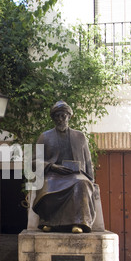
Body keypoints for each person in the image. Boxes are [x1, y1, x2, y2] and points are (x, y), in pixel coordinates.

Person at [32, 100, 95, 233]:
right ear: (53, 118)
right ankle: (48, 221)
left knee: (82, 183)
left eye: (63, 116)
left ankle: (78, 222)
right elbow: (33, 161)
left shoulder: (80, 136)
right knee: (47, 185)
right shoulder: (45, 137)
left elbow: (88, 161)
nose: (60, 119)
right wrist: (53, 166)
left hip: (75, 174)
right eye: (57, 116)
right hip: (53, 173)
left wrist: (92, 180)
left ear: (69, 116)